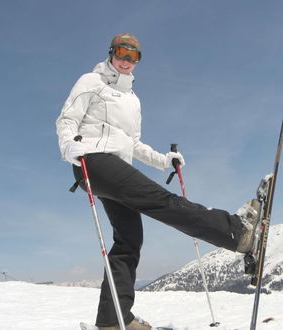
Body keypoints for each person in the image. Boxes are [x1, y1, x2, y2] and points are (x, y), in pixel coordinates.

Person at [56, 33, 261, 330]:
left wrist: (164, 160)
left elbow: (134, 144)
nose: (126, 61)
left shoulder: (133, 100)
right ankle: (237, 232)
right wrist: (68, 147)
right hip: (93, 161)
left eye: (133, 57)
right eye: (122, 54)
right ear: (111, 53)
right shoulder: (92, 81)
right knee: (162, 202)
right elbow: (66, 120)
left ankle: (113, 321)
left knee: (128, 241)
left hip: (117, 169)